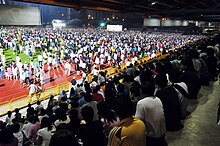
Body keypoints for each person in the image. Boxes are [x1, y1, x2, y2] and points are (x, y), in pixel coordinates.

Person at [135, 81, 167, 146]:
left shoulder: (141, 103)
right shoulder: (158, 99)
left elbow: (138, 122)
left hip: (152, 137)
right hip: (162, 134)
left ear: (141, 91)